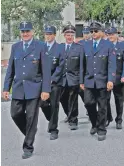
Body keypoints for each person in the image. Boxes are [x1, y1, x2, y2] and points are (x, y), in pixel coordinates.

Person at [2, 22, 51, 159]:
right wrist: (6, 88)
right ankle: (30, 133)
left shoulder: (40, 46)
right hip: (18, 88)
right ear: (20, 33)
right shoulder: (15, 47)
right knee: (15, 113)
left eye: (27, 31)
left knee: (31, 117)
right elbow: (10, 70)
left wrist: (46, 89)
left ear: (33, 31)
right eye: (23, 31)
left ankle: (28, 146)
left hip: (34, 88)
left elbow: (46, 70)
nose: (25, 34)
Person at [82, 21, 116, 141]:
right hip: (89, 80)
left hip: (102, 80)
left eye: (96, 31)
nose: (93, 33)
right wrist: (81, 81)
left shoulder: (108, 45)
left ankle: (101, 129)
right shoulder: (86, 45)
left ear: (101, 32)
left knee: (102, 106)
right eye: (91, 31)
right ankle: (94, 122)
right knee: (88, 103)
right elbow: (83, 64)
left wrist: (110, 80)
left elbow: (112, 64)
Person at [40, 25, 65, 140]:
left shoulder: (60, 48)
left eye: (50, 34)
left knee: (54, 105)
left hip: (55, 82)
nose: (48, 36)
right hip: (43, 82)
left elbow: (61, 66)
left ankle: (53, 129)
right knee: (42, 103)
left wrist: (53, 78)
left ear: (54, 35)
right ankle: (52, 119)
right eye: (46, 34)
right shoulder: (41, 47)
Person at [60, 24, 84, 130]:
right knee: (63, 99)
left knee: (73, 100)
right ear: (64, 35)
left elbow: (82, 65)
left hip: (74, 78)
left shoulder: (79, 48)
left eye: (71, 34)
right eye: (67, 34)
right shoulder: (59, 47)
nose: (69, 37)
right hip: (62, 79)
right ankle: (68, 114)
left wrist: (81, 80)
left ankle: (74, 120)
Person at [106, 27, 124, 129]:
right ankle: (108, 117)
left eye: (112, 34)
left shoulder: (123, 46)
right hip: (107, 78)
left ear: (117, 35)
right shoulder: (104, 46)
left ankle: (119, 119)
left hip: (119, 78)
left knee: (118, 100)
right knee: (105, 99)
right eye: (109, 34)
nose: (111, 36)